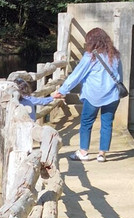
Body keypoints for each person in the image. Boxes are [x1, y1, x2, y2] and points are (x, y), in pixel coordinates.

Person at [51, 27, 124, 162]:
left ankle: (83, 152)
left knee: (86, 123)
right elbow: (120, 76)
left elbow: (76, 75)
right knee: (107, 123)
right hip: (112, 95)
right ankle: (102, 154)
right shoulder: (115, 54)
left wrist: (62, 90)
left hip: (93, 95)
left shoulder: (90, 56)